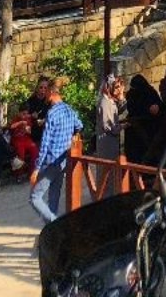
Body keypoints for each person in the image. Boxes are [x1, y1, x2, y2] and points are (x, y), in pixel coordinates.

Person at [29, 79, 82, 225]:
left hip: (51, 161)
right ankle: (51, 232)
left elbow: (45, 144)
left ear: (51, 93)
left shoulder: (51, 114)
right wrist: (72, 137)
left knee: (34, 198)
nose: (44, 94)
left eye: (46, 91)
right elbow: (79, 125)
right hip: (63, 160)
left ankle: (55, 223)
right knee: (54, 196)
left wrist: (36, 168)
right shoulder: (69, 110)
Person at [122, 74, 162, 168]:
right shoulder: (137, 93)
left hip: (146, 127)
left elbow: (158, 107)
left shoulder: (149, 93)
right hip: (137, 129)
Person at [95, 75, 122, 164]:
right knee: (107, 171)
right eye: (116, 87)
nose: (119, 89)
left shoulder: (110, 100)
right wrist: (122, 126)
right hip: (107, 143)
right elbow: (108, 125)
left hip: (111, 142)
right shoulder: (105, 102)